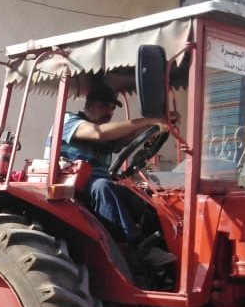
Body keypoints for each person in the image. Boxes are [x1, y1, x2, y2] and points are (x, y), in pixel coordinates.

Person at [47, 83, 177, 266]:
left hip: (96, 183)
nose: (109, 111)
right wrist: (149, 120)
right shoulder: (69, 122)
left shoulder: (106, 134)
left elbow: (127, 137)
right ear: (88, 106)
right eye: (104, 105)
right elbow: (99, 134)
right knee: (103, 187)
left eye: (112, 107)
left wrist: (161, 123)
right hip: (70, 186)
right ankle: (137, 247)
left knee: (145, 197)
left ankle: (160, 245)